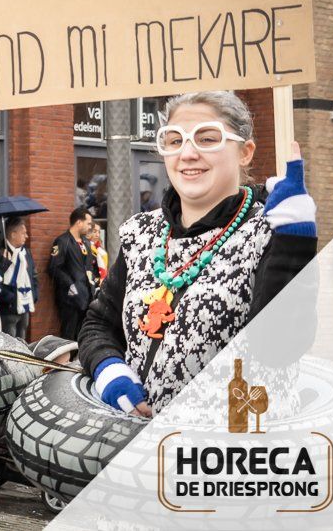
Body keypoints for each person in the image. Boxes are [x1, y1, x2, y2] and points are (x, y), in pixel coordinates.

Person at [79, 91, 317, 417]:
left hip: (239, 441)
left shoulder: (273, 231)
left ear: (245, 152)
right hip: (146, 441)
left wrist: (294, 242)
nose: (188, 154)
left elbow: (278, 349)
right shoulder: (140, 233)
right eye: (175, 141)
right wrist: (109, 370)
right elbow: (99, 323)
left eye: (207, 139)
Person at [48, 208, 97, 340]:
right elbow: (54, 268)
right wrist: (70, 285)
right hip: (70, 299)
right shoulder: (62, 241)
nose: (90, 227)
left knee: (84, 334)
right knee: (69, 334)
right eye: (88, 223)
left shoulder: (86, 243)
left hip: (87, 296)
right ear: (79, 222)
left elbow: (90, 267)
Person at [0, 217, 38, 340]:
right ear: (13, 234)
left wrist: (34, 295)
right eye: (23, 233)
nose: (26, 236)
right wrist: (9, 297)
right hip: (9, 307)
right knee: (10, 341)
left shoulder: (26, 252)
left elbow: (34, 275)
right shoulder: (1, 252)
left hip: (25, 302)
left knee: (22, 339)